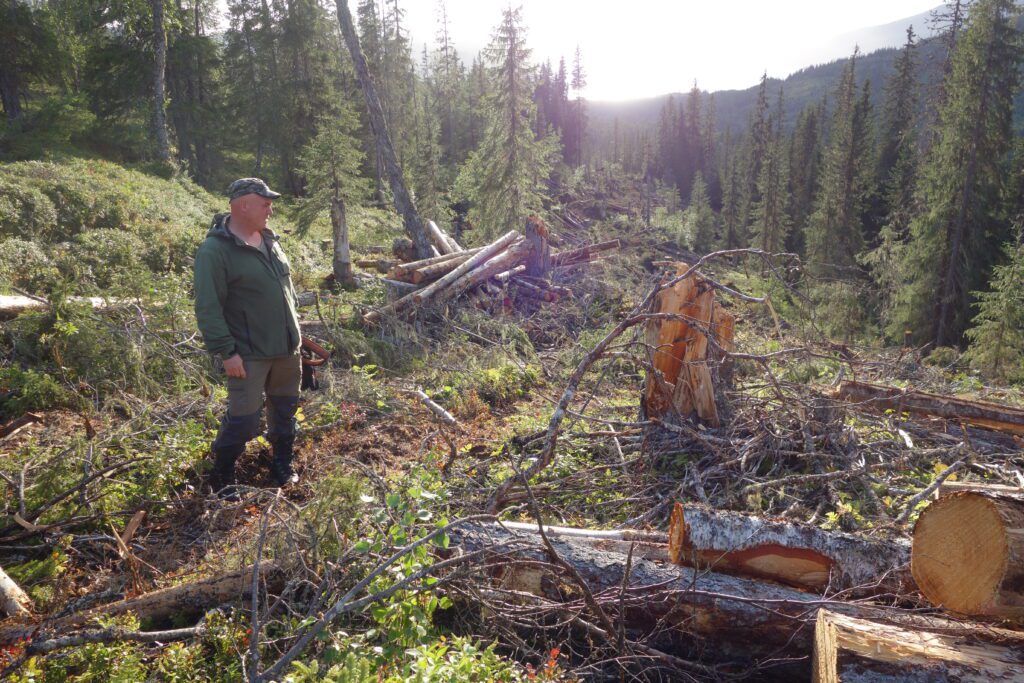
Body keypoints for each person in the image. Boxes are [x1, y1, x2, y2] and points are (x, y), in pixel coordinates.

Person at [194, 178, 302, 498]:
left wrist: (297, 336)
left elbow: (287, 295)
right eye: (264, 202)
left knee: (285, 409)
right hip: (249, 355)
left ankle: (281, 463)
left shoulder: (270, 241)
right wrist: (227, 352)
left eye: (271, 202)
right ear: (243, 205)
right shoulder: (215, 251)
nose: (270, 208)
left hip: (287, 350)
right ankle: (222, 475)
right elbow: (208, 307)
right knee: (243, 418)